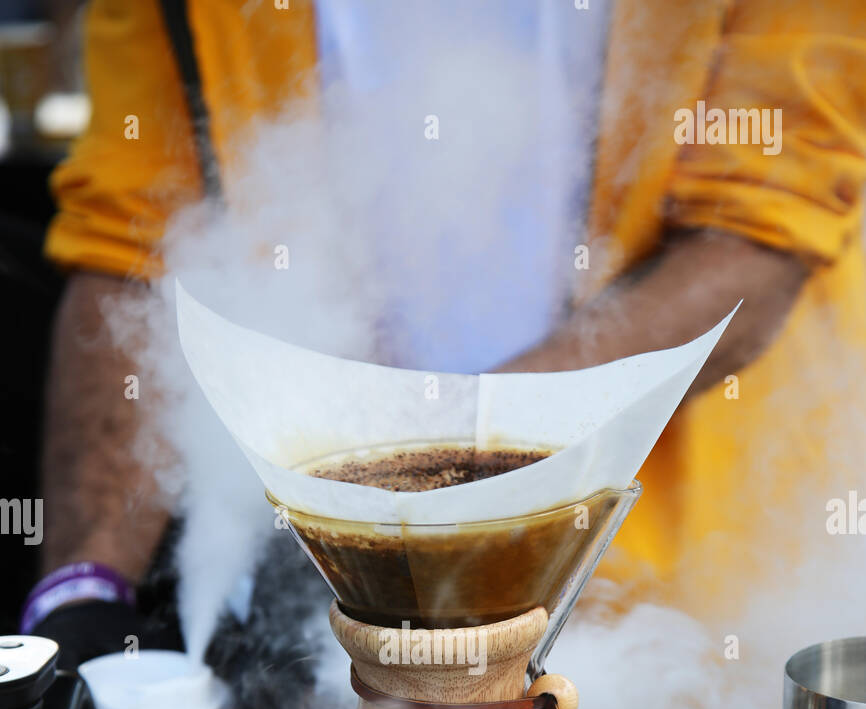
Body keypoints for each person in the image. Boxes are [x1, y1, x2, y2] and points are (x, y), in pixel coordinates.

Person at [28, 0, 866, 674]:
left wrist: (429, 495)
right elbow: (131, 244)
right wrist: (84, 588)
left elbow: (750, 246)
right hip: (333, 612)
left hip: (681, 613)